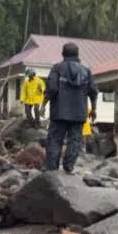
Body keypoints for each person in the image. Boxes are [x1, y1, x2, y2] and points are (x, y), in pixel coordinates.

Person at [43, 42, 98, 173]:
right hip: (79, 113)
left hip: (59, 112)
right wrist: (94, 109)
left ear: (63, 54)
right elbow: (93, 91)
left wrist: (43, 104)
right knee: (75, 140)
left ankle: (52, 168)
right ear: (77, 54)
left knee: (55, 140)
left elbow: (52, 89)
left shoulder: (57, 68)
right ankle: (69, 165)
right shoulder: (86, 71)